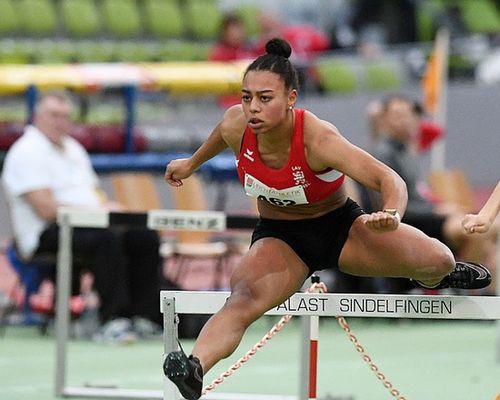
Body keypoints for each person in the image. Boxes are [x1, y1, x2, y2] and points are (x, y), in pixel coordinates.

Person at [161, 39, 491, 400]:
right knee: (243, 297)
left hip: (341, 229)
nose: (253, 108)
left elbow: (388, 179)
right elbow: (219, 138)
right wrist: (191, 164)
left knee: (439, 259)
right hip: (281, 239)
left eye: (265, 98)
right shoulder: (236, 125)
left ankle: (435, 272)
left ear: (291, 98)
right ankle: (194, 367)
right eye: (246, 97)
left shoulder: (318, 138)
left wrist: (392, 214)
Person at [1, 90, 162, 342]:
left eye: (65, 116)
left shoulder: (73, 149)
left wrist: (110, 207)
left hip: (89, 223)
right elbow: (46, 209)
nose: (60, 121)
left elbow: (94, 194)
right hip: (47, 232)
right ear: (37, 117)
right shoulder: (26, 152)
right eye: (53, 115)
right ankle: (112, 320)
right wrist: (98, 213)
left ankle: (144, 317)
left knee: (142, 236)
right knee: (106, 238)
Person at [368, 94, 496, 273]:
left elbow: (417, 193)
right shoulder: (383, 153)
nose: (403, 121)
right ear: (384, 119)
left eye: (408, 115)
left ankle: (485, 289)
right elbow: (388, 205)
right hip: (411, 221)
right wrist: (435, 210)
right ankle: (469, 286)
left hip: (425, 214)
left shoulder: (406, 150)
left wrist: (441, 206)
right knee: (478, 232)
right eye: (397, 115)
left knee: (492, 235)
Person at [208, 12, 256, 108]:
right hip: (227, 103)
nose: (237, 33)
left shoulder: (250, 50)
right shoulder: (218, 54)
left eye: (239, 28)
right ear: (224, 32)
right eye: (233, 30)